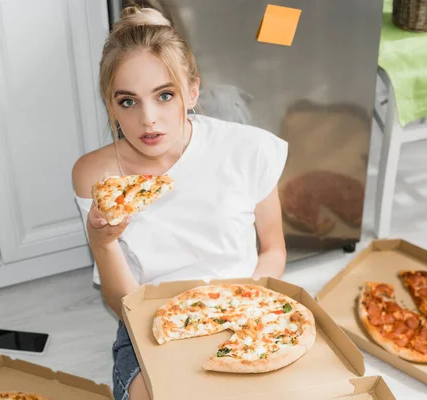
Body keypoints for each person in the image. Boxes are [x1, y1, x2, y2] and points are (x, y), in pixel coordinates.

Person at [71, 6, 288, 400]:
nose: (148, 120)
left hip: (243, 309)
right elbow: (123, 304)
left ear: (192, 91)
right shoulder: (96, 175)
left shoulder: (248, 149)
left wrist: (236, 308)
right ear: (110, 104)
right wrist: (103, 244)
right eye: (128, 102)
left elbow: (272, 250)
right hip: (149, 327)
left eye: (164, 95)